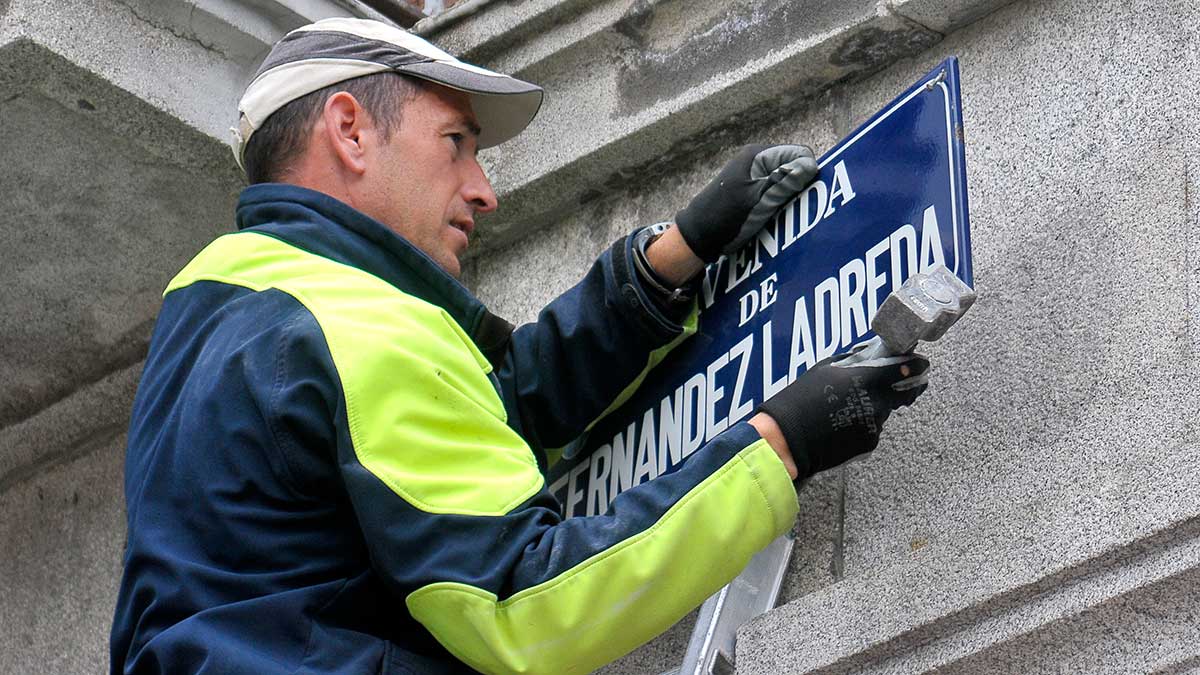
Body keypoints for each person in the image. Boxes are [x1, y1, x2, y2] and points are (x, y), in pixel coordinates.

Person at [109, 17, 929, 675]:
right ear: (350, 131)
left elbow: (475, 423)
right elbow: (526, 604)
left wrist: (668, 259)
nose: (485, 191)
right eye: (456, 144)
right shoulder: (351, 327)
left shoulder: (228, 305)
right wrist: (778, 443)